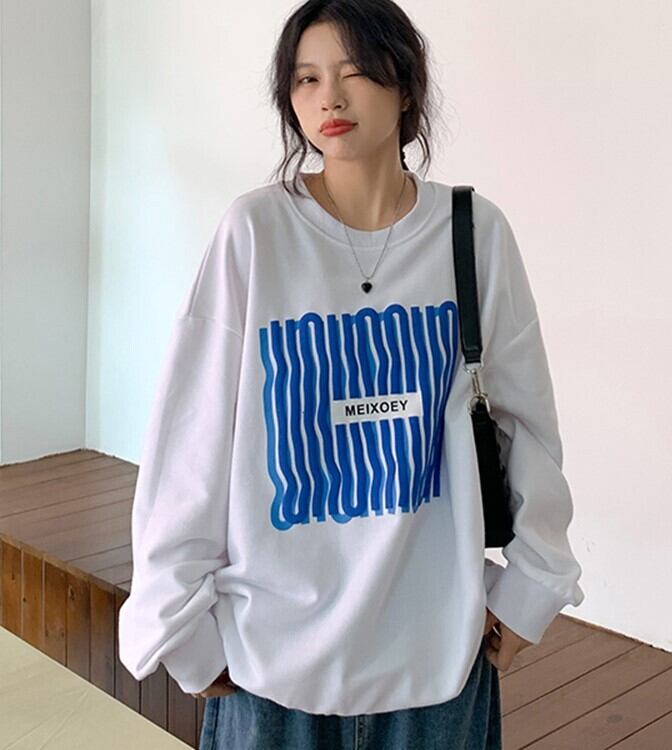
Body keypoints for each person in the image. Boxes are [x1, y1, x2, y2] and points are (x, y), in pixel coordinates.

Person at [117, 0, 585, 748]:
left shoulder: (473, 234)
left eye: (355, 71)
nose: (329, 98)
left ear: (405, 85)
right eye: (306, 79)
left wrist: (533, 585)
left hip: (436, 663)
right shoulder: (256, 233)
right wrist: (177, 626)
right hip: (270, 668)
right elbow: (192, 436)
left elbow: (526, 423)